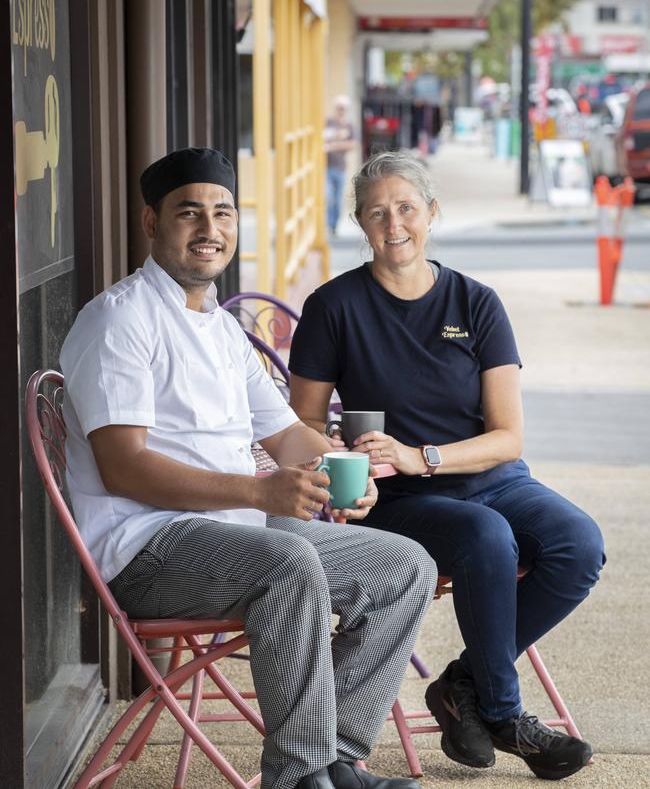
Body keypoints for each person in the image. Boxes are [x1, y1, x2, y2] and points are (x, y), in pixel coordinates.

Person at [60, 147, 437, 789]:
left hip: (237, 531)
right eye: (190, 214)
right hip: (145, 545)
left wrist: (343, 469)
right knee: (287, 563)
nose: (210, 230)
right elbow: (123, 469)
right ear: (152, 224)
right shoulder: (119, 320)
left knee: (405, 565)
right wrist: (262, 490)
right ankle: (297, 775)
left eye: (223, 213)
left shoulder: (222, 326)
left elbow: (287, 433)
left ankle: (335, 756)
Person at [288, 150, 605, 782]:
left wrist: (422, 455)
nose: (393, 223)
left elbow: (508, 437)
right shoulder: (333, 307)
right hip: (401, 502)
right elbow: (300, 424)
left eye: (406, 207)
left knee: (578, 544)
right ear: (359, 221)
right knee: (487, 539)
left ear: (432, 212)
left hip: (491, 479)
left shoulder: (477, 302)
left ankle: (463, 685)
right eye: (377, 212)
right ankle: (506, 714)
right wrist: (352, 459)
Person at [324, 95, 356, 236]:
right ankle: (328, 223)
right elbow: (320, 138)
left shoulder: (349, 126)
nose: (341, 111)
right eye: (339, 108)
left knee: (337, 199)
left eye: (343, 108)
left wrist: (333, 145)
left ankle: (334, 225)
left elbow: (352, 144)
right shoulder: (327, 123)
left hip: (340, 167)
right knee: (328, 196)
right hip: (325, 167)